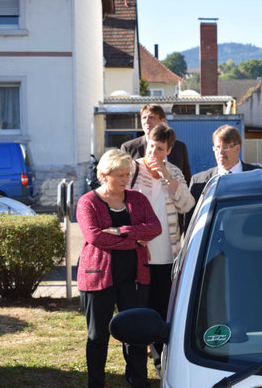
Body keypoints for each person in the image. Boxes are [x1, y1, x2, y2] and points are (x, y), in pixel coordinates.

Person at [76, 149, 162, 388]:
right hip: (97, 278)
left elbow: (154, 228)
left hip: (134, 277)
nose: (126, 179)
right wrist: (135, 239)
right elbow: (95, 238)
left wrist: (121, 230)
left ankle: (138, 382)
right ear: (104, 175)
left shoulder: (137, 199)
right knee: (97, 336)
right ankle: (96, 383)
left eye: (128, 174)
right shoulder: (88, 202)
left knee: (135, 334)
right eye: (121, 175)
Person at [129, 123, 194, 362]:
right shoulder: (132, 170)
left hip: (167, 256)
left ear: (169, 150)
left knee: (160, 312)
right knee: (137, 312)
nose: (153, 154)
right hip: (139, 255)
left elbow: (187, 206)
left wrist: (167, 178)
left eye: (159, 149)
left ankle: (160, 364)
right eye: (151, 147)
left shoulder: (174, 172)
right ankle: (135, 369)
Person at [186, 125, 262, 229]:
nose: (220, 153)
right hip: (211, 243)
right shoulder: (199, 182)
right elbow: (191, 224)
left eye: (225, 147)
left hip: (249, 239)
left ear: (238, 148)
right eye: (217, 148)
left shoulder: (257, 177)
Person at [120, 104, 192, 185]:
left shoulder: (179, 147)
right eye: (144, 118)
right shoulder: (128, 148)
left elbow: (187, 179)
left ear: (163, 121)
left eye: (151, 117)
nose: (146, 121)